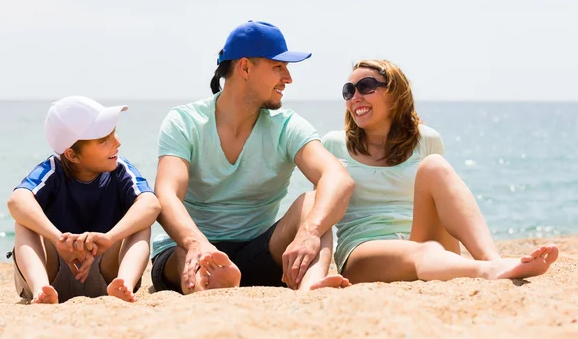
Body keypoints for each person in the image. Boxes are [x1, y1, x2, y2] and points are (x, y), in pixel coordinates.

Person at [151, 20, 355, 294]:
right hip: (188, 251)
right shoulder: (185, 122)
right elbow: (166, 194)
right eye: (278, 67)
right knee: (184, 250)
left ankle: (313, 288)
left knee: (313, 202)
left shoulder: (286, 126)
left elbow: (338, 178)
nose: (288, 78)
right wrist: (196, 243)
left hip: (254, 252)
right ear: (245, 67)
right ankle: (206, 291)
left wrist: (309, 232)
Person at [321, 59, 559, 284]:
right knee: (425, 251)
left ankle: (491, 260)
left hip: (423, 241)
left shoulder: (427, 139)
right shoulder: (333, 145)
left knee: (435, 165)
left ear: (394, 93)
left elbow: (443, 201)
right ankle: (489, 270)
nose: (355, 97)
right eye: (349, 91)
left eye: (365, 86)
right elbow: (321, 213)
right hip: (365, 250)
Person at [7, 96, 161, 304]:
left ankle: (124, 283)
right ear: (72, 155)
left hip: (106, 273)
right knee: (24, 223)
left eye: (114, 134)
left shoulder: (119, 169)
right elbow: (17, 201)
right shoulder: (52, 170)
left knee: (140, 223)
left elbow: (151, 204)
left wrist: (110, 238)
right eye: (104, 140)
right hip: (54, 272)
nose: (118, 142)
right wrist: (57, 239)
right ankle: (40, 290)